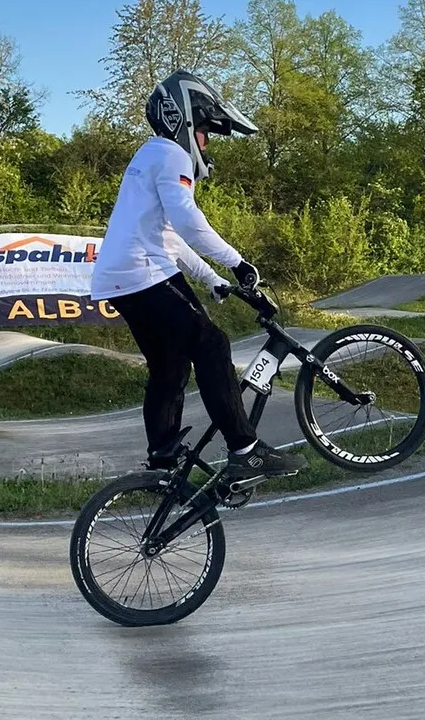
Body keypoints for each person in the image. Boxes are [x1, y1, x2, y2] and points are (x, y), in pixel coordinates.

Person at [90, 71, 306, 485]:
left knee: (170, 367)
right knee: (212, 344)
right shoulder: (172, 154)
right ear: (185, 121)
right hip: (145, 271)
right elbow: (188, 221)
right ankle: (245, 451)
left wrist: (211, 278)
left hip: (119, 278)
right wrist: (237, 263)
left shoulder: (149, 155)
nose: (206, 144)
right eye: (205, 132)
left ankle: (162, 461)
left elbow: (169, 236)